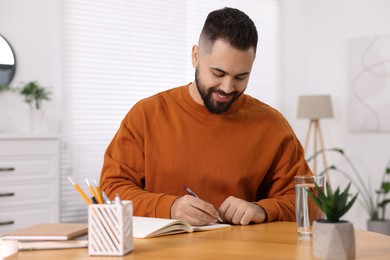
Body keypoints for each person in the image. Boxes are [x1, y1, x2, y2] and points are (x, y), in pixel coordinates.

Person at [100, 7, 312, 226]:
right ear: (195, 56)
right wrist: (169, 208)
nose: (228, 88)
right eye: (218, 74)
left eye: (241, 76)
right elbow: (113, 188)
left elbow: (310, 203)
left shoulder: (272, 125)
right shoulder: (146, 115)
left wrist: (262, 210)